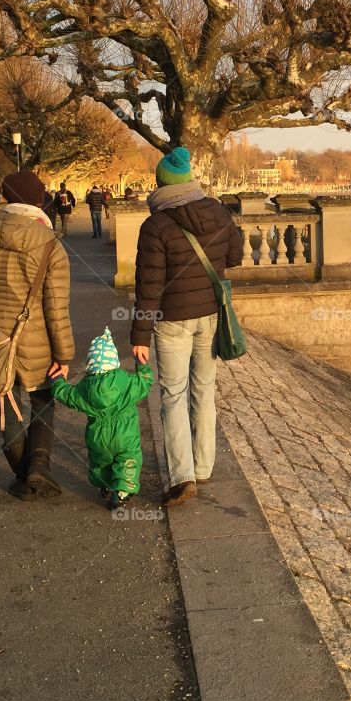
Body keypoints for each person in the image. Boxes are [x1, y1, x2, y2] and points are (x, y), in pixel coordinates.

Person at [131, 146, 243, 507]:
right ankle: (204, 465)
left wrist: (139, 336)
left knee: (173, 397)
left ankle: (182, 477)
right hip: (210, 315)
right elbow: (236, 257)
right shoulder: (218, 211)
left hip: (171, 321)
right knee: (204, 391)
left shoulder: (155, 226)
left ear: (162, 184)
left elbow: (149, 286)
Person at [0, 169, 74, 500]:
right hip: (38, 339)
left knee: (6, 402)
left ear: (6, 197)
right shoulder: (51, 245)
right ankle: (38, 466)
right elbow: (56, 309)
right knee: (42, 400)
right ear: (39, 201)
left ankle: (22, 477)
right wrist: (64, 355)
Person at [50, 326, 153, 509]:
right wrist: (142, 366)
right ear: (114, 361)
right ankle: (122, 489)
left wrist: (58, 382)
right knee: (129, 457)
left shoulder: (84, 387)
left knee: (100, 461)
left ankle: (105, 484)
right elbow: (145, 383)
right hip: (125, 433)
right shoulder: (126, 382)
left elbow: (67, 396)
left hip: (98, 435)